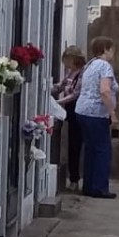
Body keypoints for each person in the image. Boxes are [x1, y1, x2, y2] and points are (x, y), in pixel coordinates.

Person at [74, 36, 119, 199]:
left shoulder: (90, 65)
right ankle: (100, 187)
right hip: (97, 112)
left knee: (90, 149)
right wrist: (112, 113)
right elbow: (105, 90)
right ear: (106, 49)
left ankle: (89, 185)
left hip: (82, 110)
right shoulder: (105, 66)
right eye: (112, 49)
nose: (113, 53)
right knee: (102, 150)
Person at [52, 45, 87, 191]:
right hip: (69, 110)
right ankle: (73, 177)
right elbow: (60, 86)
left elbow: (75, 94)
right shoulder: (70, 74)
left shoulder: (82, 74)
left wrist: (58, 102)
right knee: (72, 144)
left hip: (77, 109)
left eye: (66, 60)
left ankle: (75, 179)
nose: (65, 64)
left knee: (76, 145)